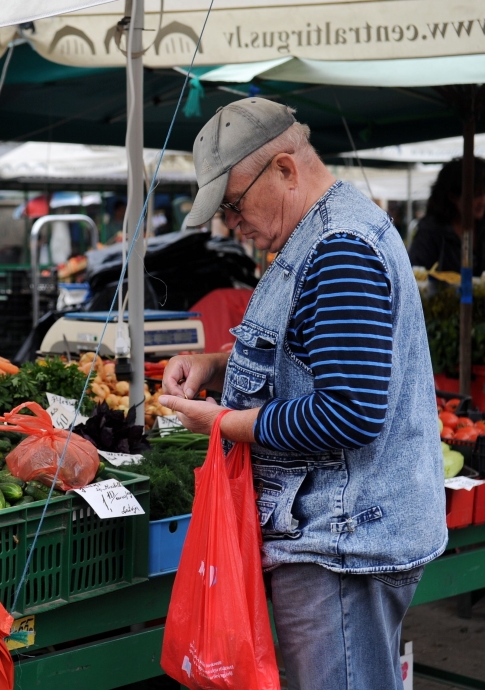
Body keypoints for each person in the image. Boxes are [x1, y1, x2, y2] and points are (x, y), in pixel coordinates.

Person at [158, 98, 446, 690]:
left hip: (341, 542)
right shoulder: (317, 232)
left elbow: (350, 412)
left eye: (235, 205)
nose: (232, 223)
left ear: (285, 169)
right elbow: (309, 355)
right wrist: (217, 364)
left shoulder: (339, 249)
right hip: (334, 535)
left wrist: (225, 422)